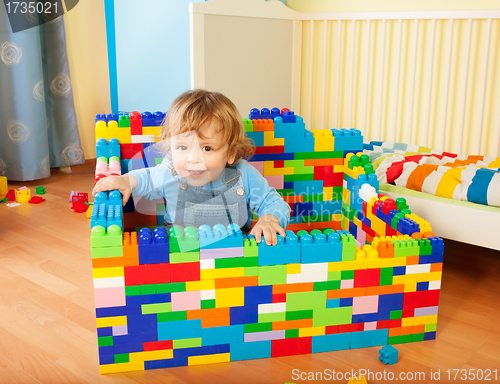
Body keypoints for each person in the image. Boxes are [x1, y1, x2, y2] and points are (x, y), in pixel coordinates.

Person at [92, 89, 290, 245]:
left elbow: (274, 202)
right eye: (182, 147)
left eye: (207, 148)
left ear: (230, 153)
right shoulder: (170, 171)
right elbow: (147, 179)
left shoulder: (243, 174)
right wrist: (126, 180)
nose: (193, 159)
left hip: (234, 257)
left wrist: (270, 219)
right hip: (180, 256)